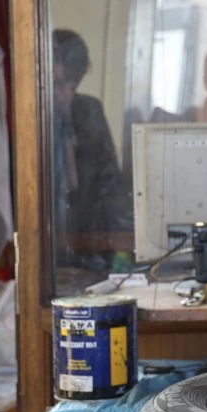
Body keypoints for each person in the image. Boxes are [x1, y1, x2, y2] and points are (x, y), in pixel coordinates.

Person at [51, 29, 132, 269]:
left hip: (89, 240)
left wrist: (122, 243)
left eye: (72, 83)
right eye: (59, 83)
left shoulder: (88, 110)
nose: (66, 91)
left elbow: (110, 181)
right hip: (47, 239)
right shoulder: (32, 117)